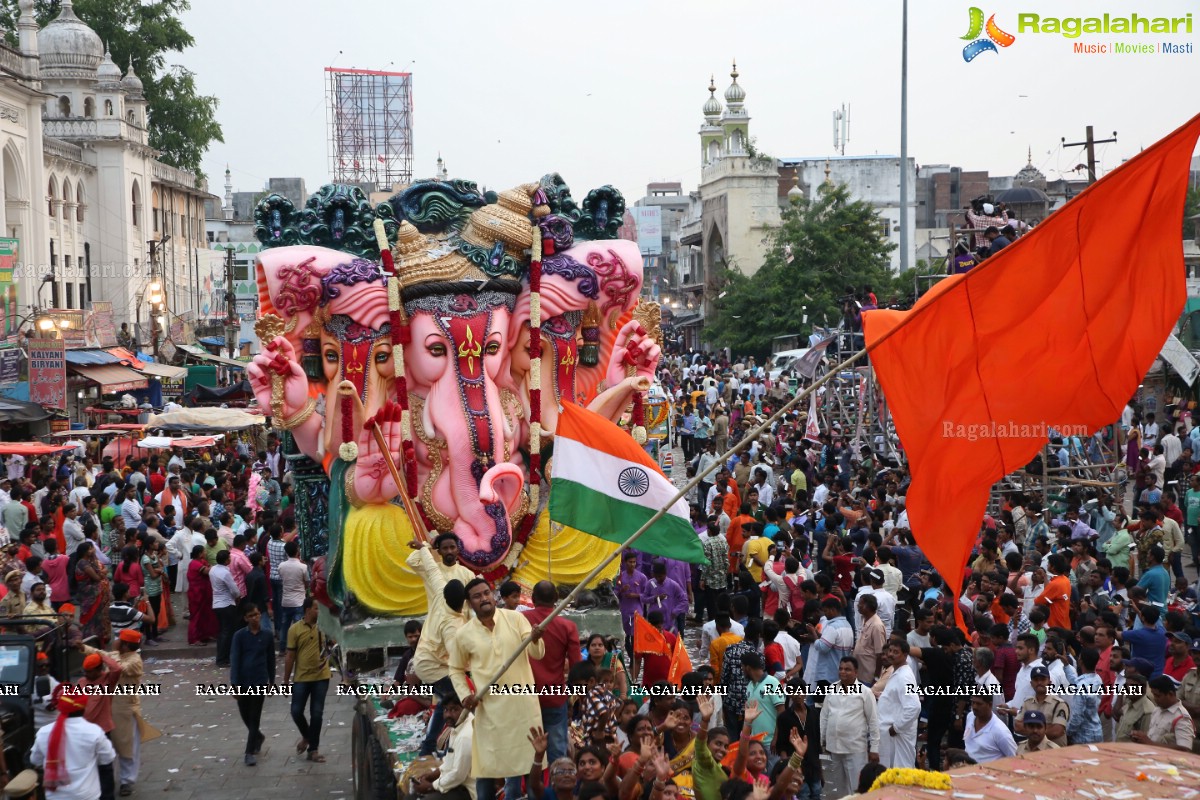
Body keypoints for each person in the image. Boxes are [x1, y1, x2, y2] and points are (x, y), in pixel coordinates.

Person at [448, 578, 545, 800]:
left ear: (493, 595)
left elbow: (537, 653)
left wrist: (536, 638)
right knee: (487, 769)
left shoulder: (516, 618)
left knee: (530, 766)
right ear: (469, 603)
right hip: (490, 711)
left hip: (523, 709)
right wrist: (465, 695)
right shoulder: (464, 635)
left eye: (486, 593)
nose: (483, 599)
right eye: (477, 596)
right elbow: (455, 669)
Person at [30, 689, 116, 800]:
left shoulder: (44, 732)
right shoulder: (94, 732)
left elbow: (35, 760)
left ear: (59, 707)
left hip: (55, 797)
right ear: (84, 708)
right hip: (87, 795)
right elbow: (107, 759)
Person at [820, 656, 880, 792]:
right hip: (834, 747)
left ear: (856, 672)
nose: (843, 672)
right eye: (841, 669)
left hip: (855, 749)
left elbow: (873, 721)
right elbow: (824, 716)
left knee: (856, 788)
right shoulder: (832, 688)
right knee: (839, 788)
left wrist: (874, 748)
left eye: (847, 669)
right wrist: (822, 740)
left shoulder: (865, 692)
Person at [285, 597, 332, 763]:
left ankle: (313, 750)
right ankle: (307, 736)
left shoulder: (325, 627)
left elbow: (333, 646)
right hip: (301, 677)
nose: (319, 612)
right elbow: (290, 655)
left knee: (316, 714)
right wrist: (285, 680)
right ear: (307, 610)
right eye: (316, 608)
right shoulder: (294, 630)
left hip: (321, 677)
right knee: (296, 711)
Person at [230, 601, 276, 766]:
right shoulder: (239, 636)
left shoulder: (267, 635)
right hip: (243, 681)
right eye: (251, 616)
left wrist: (272, 681)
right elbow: (235, 660)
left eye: (257, 615)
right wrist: (234, 684)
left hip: (260, 680)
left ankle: (249, 752)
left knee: (255, 716)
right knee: (245, 714)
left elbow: (271, 660)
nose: (255, 618)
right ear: (245, 618)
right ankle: (257, 736)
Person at [410, 693, 473, 800]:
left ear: (465, 710)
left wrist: (431, 787)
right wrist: (430, 776)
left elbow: (457, 775)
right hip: (457, 785)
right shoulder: (457, 727)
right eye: (446, 710)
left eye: (454, 710)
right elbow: (448, 762)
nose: (448, 714)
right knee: (411, 796)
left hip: (468, 791)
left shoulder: (465, 735)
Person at [876, 641, 921, 768]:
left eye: (896, 652)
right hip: (890, 735)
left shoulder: (904, 677)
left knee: (899, 775)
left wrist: (896, 727)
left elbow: (914, 707)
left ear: (905, 655)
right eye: (890, 651)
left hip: (897, 736)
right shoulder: (897, 672)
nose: (891, 654)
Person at [963, 695, 1017, 764]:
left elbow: (1015, 758)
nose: (974, 707)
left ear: (990, 705)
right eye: (973, 703)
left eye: (979, 704)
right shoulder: (970, 716)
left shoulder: (1000, 731)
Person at [210, 550, 241, 668]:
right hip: (226, 604)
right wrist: (238, 597)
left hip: (217, 604)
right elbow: (234, 590)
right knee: (228, 632)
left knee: (222, 632)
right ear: (226, 560)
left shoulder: (213, 570)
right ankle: (223, 659)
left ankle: (221, 656)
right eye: (229, 558)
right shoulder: (225, 573)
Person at [186, 545, 217, 646]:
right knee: (196, 616)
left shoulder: (201, 561)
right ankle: (194, 639)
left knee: (205, 614)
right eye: (204, 552)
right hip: (196, 593)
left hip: (204, 593)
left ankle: (204, 635)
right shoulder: (194, 564)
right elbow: (208, 571)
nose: (206, 553)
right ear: (199, 554)